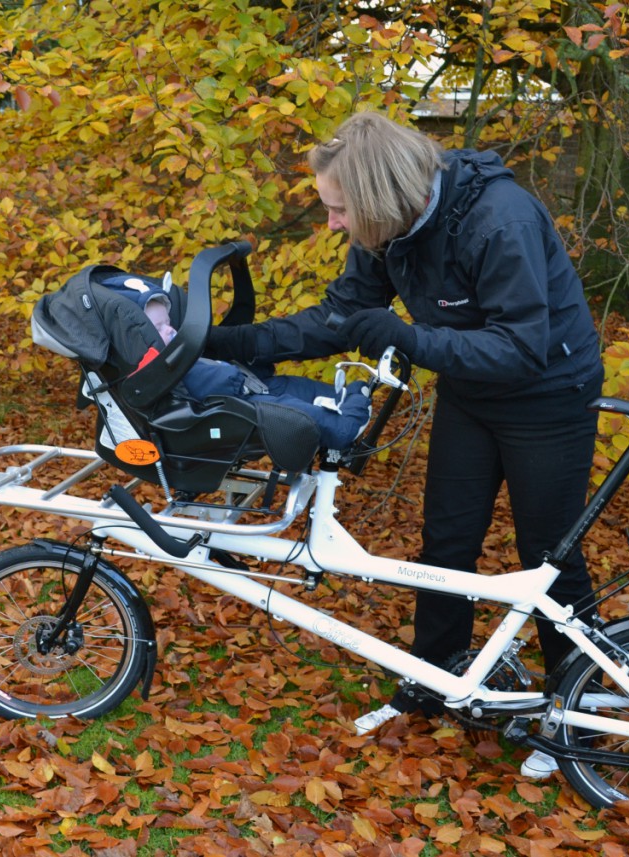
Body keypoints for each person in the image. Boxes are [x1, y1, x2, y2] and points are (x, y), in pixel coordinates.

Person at [205, 110, 604, 779]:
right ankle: (432, 680)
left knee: (550, 555)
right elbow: (335, 321)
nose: (333, 223)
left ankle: (574, 711)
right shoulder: (385, 230)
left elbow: (520, 347)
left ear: (379, 196)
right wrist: (220, 343)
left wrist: (404, 336)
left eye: (339, 209)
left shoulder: (497, 220)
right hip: (471, 393)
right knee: (445, 543)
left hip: (548, 397)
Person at [100, 272, 373, 450]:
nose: (171, 330)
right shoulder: (161, 368)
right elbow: (211, 381)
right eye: (160, 328)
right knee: (294, 412)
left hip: (251, 388)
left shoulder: (175, 352)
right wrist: (234, 375)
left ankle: (345, 398)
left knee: (295, 388)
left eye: (169, 323)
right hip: (234, 406)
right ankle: (343, 426)